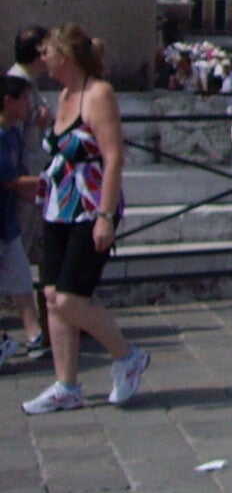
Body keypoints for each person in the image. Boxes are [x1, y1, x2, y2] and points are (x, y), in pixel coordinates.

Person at [21, 25, 148, 414]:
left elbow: (113, 156)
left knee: (69, 298)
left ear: (65, 57)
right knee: (51, 296)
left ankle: (127, 356)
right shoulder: (63, 96)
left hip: (90, 206)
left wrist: (105, 216)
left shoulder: (99, 94)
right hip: (58, 205)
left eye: (47, 52)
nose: (43, 59)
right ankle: (66, 384)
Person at [0, 76, 48, 361]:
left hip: (7, 223)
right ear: (8, 101)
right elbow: (10, 180)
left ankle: (34, 335)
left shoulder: (14, 135)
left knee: (20, 278)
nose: (28, 105)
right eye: (24, 100)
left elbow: (19, 182)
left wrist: (43, 200)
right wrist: (51, 184)